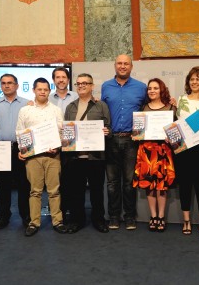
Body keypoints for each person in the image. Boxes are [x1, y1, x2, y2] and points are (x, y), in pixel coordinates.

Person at [17, 77, 67, 236]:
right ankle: (34, 222)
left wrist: (57, 147)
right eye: (40, 89)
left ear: (49, 91)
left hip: (53, 156)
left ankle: (57, 221)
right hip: (33, 158)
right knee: (35, 191)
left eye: (46, 89)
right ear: (34, 90)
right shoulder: (25, 110)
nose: (43, 92)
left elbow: (62, 133)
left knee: (54, 191)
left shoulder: (56, 110)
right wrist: (22, 150)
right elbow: (20, 132)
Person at [101, 54, 147, 230]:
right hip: (110, 139)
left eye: (126, 64)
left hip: (131, 140)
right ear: (115, 66)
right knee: (112, 182)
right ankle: (113, 216)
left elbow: (150, 109)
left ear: (131, 67)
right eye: (119, 63)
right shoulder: (106, 86)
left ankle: (129, 217)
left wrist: (170, 103)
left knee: (129, 182)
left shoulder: (141, 88)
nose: (122, 66)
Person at [63, 73, 111, 233]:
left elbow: (109, 128)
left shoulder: (101, 106)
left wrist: (106, 131)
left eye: (85, 83)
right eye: (78, 84)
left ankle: (98, 220)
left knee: (97, 190)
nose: (81, 86)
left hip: (95, 157)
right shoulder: (70, 107)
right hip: (75, 157)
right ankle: (77, 220)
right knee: (76, 191)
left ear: (92, 86)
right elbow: (67, 131)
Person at [0, 74, 31, 229]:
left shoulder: (27, 104)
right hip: (1, 149)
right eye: (3, 83)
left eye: (10, 83)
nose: (6, 86)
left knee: (24, 185)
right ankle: (4, 215)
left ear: (17, 86)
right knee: (3, 185)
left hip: (21, 149)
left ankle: (25, 215)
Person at [133, 78, 177, 232]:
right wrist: (136, 135)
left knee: (162, 186)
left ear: (161, 90)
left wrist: (170, 136)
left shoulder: (171, 108)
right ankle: (153, 217)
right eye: (150, 88)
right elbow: (137, 130)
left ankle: (161, 216)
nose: (152, 91)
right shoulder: (143, 108)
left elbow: (176, 132)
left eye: (156, 88)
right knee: (149, 186)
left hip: (163, 151)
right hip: (146, 151)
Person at [175, 66, 199, 237]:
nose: (195, 82)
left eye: (198, 79)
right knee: (185, 185)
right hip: (183, 148)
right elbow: (176, 124)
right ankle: (187, 221)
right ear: (188, 82)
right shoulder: (180, 100)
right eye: (192, 79)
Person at [48, 66, 79, 220]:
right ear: (53, 80)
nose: (61, 80)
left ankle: (70, 212)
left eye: (63, 77)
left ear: (68, 79)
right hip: (51, 143)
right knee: (54, 180)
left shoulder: (76, 96)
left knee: (69, 180)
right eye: (57, 77)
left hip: (71, 143)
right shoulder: (47, 97)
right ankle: (57, 211)